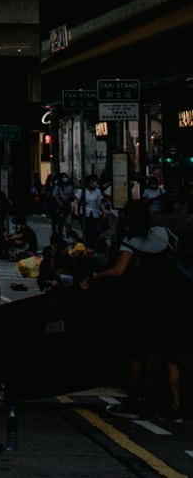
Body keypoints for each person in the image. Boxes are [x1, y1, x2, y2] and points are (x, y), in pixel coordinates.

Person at [87, 197, 187, 421]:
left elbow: (118, 271)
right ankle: (176, 407)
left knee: (137, 355)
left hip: (146, 307)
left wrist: (95, 278)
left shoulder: (131, 241)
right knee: (171, 357)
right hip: (172, 304)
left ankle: (132, 402)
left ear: (129, 218)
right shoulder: (165, 233)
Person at [75, 174, 109, 251]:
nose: (95, 184)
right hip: (85, 214)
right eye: (93, 182)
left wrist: (103, 212)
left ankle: (93, 246)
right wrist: (76, 210)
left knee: (95, 231)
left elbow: (101, 203)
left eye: (95, 182)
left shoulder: (98, 191)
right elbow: (77, 201)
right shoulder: (82, 191)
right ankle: (87, 247)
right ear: (89, 183)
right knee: (87, 231)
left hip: (95, 213)